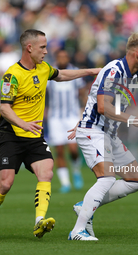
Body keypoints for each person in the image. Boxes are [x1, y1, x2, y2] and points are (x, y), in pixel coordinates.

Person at [0, 29, 100, 242]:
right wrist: (23, 123)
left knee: (46, 173)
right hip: (12, 134)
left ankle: (39, 222)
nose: (46, 51)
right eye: (43, 47)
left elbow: (61, 74)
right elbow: (5, 108)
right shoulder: (12, 75)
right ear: (30, 48)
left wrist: (90, 71)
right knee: (5, 184)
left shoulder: (43, 69)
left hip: (34, 135)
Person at [67, 33, 138, 241]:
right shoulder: (115, 71)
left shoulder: (133, 76)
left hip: (109, 134)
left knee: (137, 180)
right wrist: (133, 120)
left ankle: (86, 206)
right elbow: (103, 106)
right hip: (94, 131)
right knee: (106, 178)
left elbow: (101, 100)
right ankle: (77, 231)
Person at [47, 49, 85, 193]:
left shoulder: (75, 72)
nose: (62, 58)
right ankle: (65, 183)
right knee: (59, 151)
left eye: (65, 56)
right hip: (55, 117)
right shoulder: (50, 72)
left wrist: (84, 110)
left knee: (73, 149)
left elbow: (82, 93)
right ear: (57, 58)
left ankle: (76, 170)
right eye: (60, 56)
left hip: (71, 116)